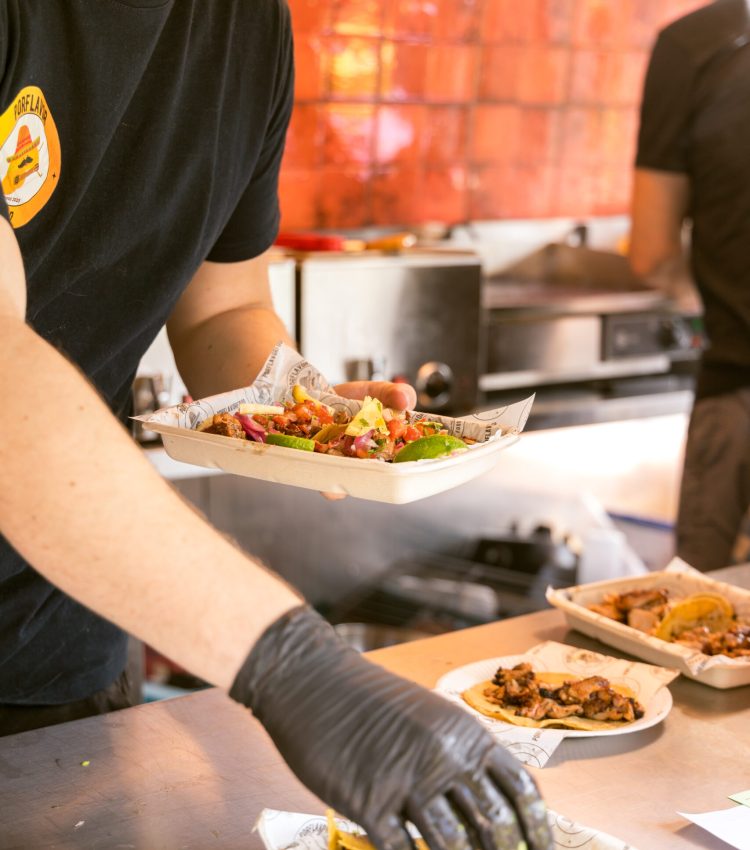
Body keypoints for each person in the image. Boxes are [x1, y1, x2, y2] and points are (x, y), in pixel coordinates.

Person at [0, 3, 552, 848]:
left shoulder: (245, 24)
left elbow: (225, 306)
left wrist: (308, 408)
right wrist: (298, 670)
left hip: (67, 614)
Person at [628, 0, 750, 572]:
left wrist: (709, 303)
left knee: (703, 625)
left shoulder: (695, 45)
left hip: (737, 398)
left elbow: (652, 254)